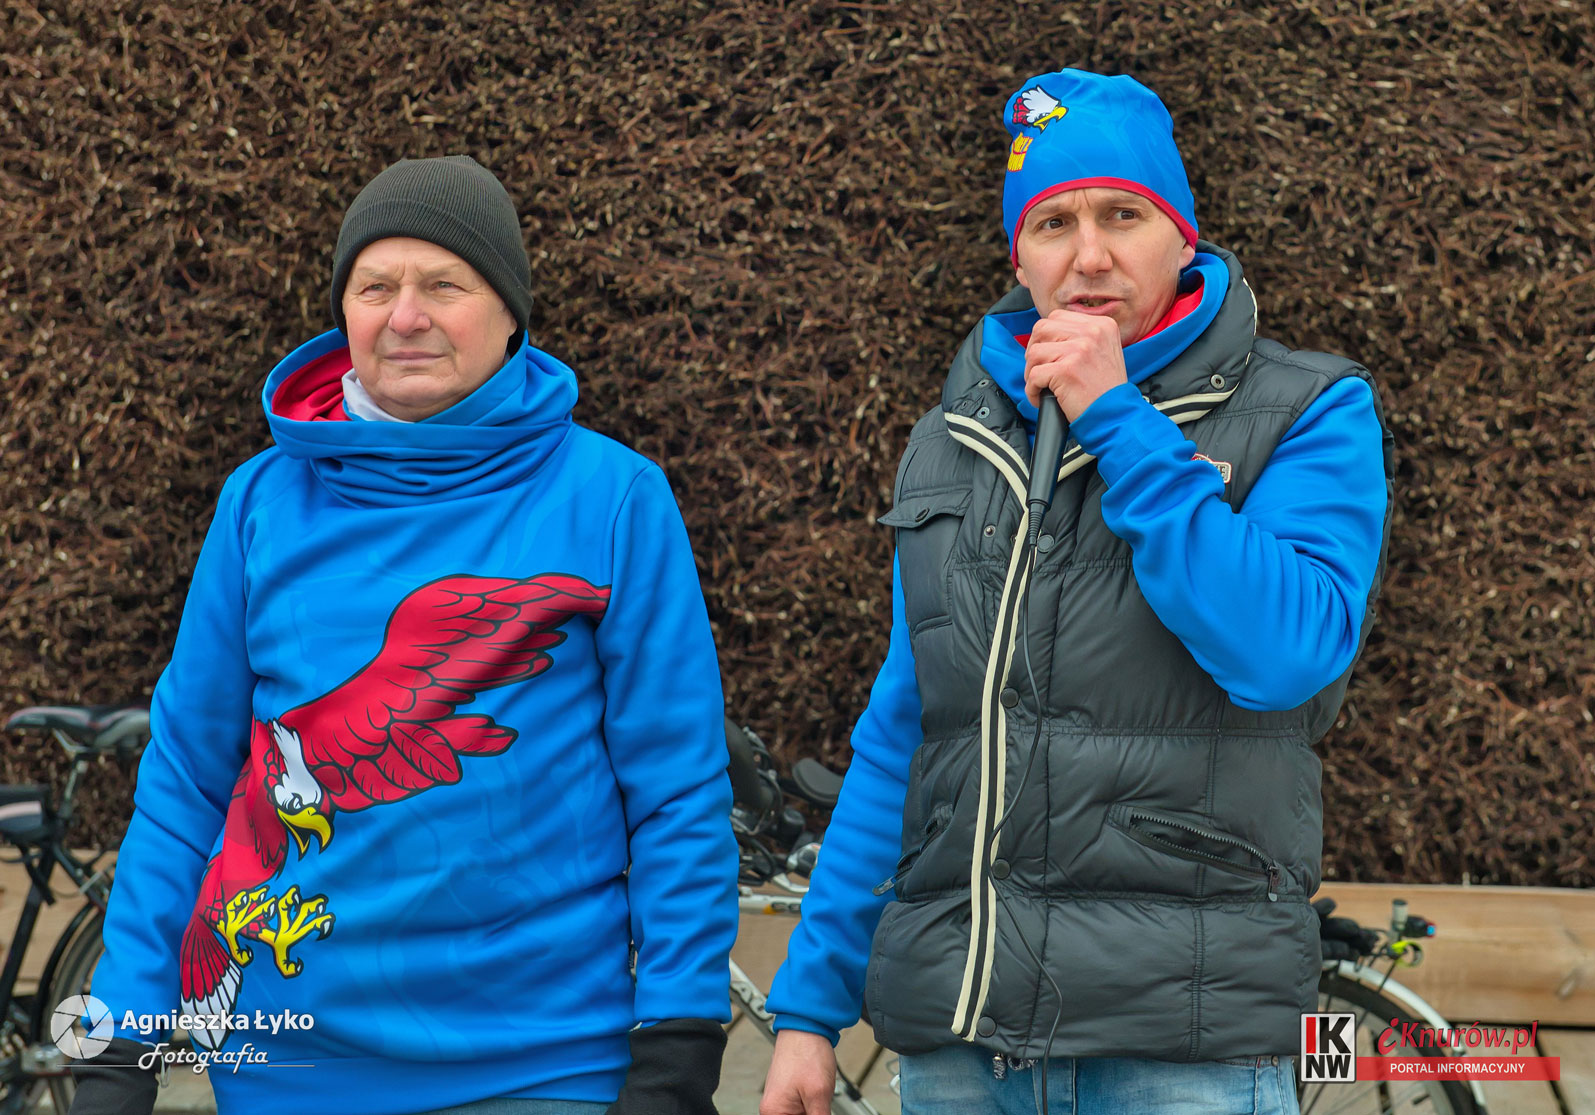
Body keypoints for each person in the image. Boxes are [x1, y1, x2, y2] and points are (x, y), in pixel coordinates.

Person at [761, 69, 1395, 1115]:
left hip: (1183, 1049)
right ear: (1019, 256)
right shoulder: (952, 439)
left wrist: (1119, 421)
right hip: (965, 1050)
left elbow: (1287, 651)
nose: (1089, 255)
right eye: (1053, 222)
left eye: (1122, 215)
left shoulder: (1308, 409)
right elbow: (909, 737)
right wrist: (807, 1009)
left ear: (1181, 236)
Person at [71, 156, 737, 1115]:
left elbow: (675, 789)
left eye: (444, 285)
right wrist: (119, 1039)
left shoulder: (613, 497)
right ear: (344, 312)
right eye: (375, 287)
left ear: (510, 312)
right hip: (289, 1067)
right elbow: (184, 784)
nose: (406, 316)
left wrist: (679, 1037)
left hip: (543, 1063)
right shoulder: (259, 503)